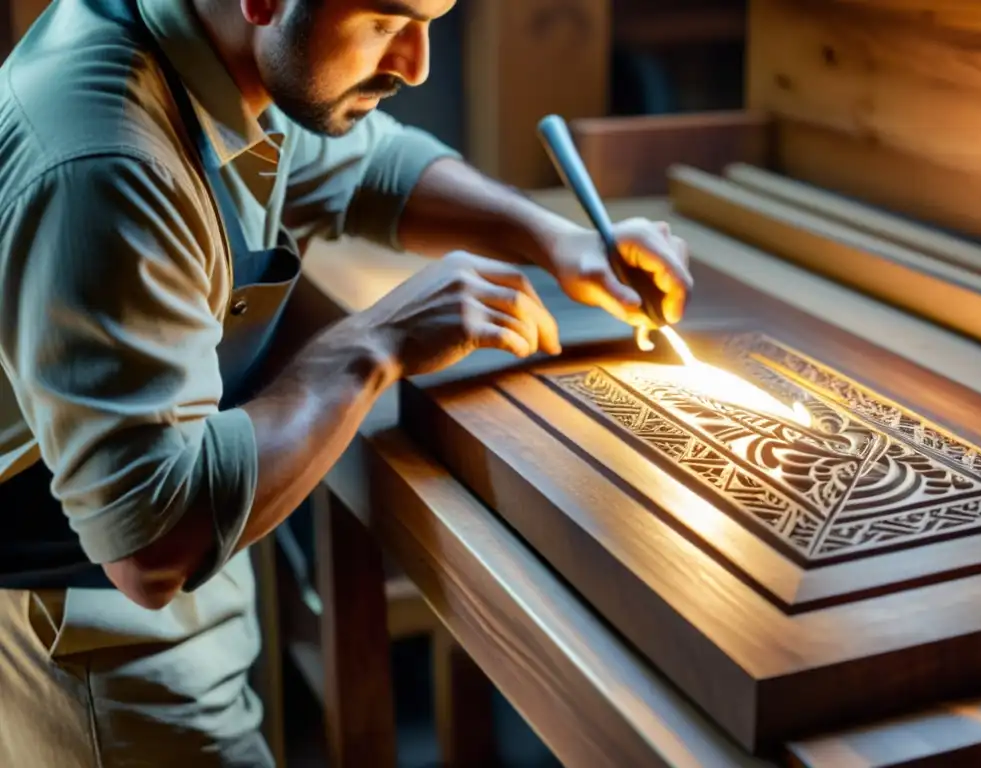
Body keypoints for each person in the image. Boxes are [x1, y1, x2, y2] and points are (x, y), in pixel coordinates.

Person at [0, 0, 691, 764]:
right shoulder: (109, 162)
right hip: (88, 631)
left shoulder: (201, 42)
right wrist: (372, 344)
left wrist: (554, 240)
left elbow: (369, 167)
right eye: (387, 20)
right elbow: (154, 541)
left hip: (161, 573)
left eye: (434, 18)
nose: (415, 63)